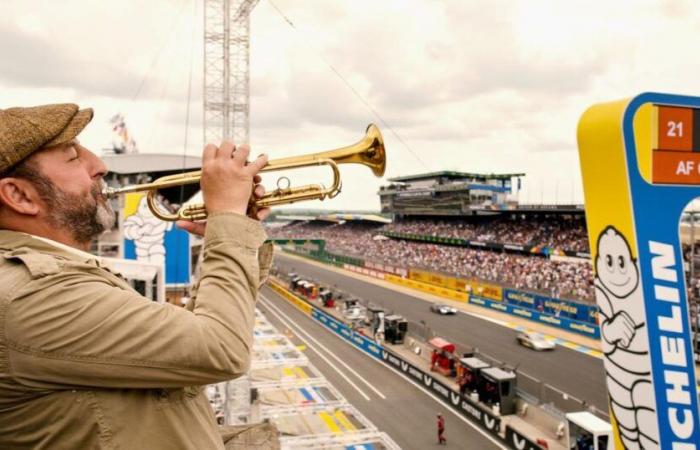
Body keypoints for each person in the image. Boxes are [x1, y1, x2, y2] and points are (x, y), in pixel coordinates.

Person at [0, 104, 274, 449]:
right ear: (19, 195)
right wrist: (228, 218)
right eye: (73, 157)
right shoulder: (32, 294)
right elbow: (221, 347)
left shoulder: (49, 277)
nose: (99, 165)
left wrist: (231, 228)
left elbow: (182, 349)